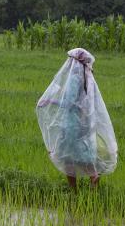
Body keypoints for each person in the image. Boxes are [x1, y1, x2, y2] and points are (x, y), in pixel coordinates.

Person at [36, 48, 117, 191]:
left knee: (67, 157)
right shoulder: (88, 77)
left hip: (72, 123)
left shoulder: (74, 77)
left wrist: (50, 101)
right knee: (83, 153)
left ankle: (74, 189)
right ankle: (93, 176)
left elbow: (69, 101)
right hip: (85, 122)